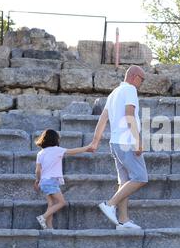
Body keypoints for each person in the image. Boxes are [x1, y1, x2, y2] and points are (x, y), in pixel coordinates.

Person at [89, 65, 148, 230]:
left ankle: (123, 220)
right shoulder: (130, 90)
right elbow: (130, 115)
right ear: (135, 76)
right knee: (141, 177)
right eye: (142, 79)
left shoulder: (113, 93)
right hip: (126, 141)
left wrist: (95, 141)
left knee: (124, 182)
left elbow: (103, 118)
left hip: (115, 143)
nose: (141, 83)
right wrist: (137, 141)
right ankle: (110, 204)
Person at [34, 129, 93, 229]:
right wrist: (87, 148)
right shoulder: (57, 150)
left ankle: (49, 227)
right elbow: (73, 151)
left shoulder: (40, 153)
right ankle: (43, 217)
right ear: (55, 139)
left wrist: (37, 180)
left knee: (51, 204)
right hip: (51, 181)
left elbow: (37, 170)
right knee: (62, 202)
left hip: (44, 181)